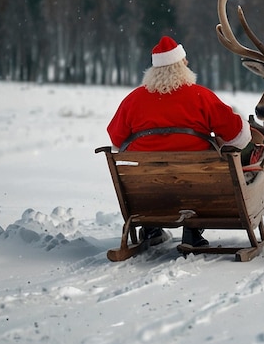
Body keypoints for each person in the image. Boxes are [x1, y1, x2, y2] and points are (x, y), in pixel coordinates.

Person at [107, 36, 252, 248]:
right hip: (197, 186)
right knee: (205, 171)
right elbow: (236, 134)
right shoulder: (201, 96)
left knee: (154, 175)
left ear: (153, 71)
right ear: (182, 66)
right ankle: (192, 230)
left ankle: (151, 226)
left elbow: (116, 140)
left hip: (148, 190)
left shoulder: (133, 100)